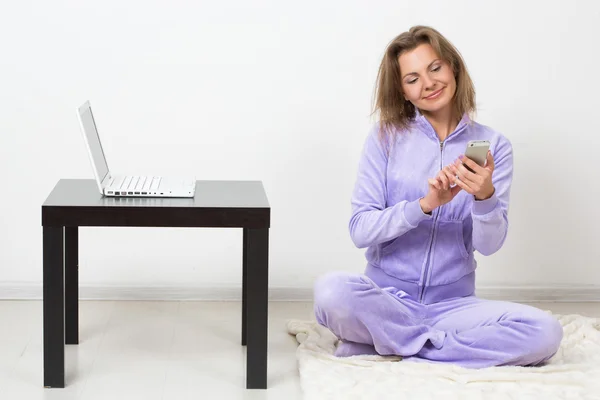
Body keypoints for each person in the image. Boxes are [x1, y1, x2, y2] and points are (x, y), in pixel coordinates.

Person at [313, 25, 563, 368]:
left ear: (453, 67)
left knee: (545, 332)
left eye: (435, 68)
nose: (428, 83)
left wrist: (484, 196)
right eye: (412, 78)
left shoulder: (493, 145)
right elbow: (360, 230)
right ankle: (433, 346)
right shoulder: (385, 138)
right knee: (330, 292)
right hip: (387, 300)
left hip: (455, 306)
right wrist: (424, 206)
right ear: (401, 90)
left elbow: (489, 245)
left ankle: (391, 344)